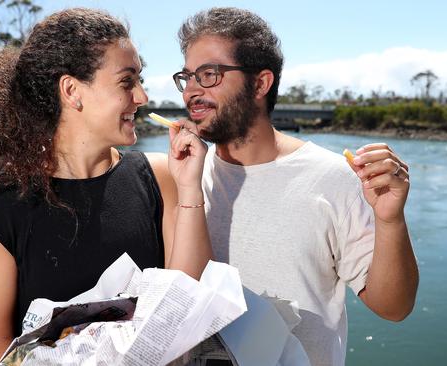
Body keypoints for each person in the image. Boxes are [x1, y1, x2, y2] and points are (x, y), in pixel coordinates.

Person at [0, 8, 211, 366]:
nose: (143, 96)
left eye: (140, 80)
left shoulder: (161, 177)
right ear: (72, 91)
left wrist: (191, 188)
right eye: (127, 81)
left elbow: (186, 298)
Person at [172, 7, 419, 366]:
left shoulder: (334, 177)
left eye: (209, 74)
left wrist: (391, 221)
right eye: (187, 77)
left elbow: (394, 307)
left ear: (260, 83)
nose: (192, 90)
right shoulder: (183, 177)